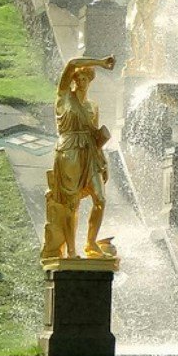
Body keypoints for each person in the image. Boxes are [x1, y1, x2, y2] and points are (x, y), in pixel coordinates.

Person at [41, 55, 117, 261]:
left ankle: (91, 243)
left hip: (90, 154)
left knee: (100, 199)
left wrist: (103, 161)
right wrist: (100, 63)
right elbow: (72, 63)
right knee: (71, 203)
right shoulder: (63, 97)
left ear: (90, 81)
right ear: (73, 81)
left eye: (85, 78)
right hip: (69, 151)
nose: (81, 82)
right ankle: (71, 251)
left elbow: (94, 135)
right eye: (78, 78)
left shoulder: (93, 106)